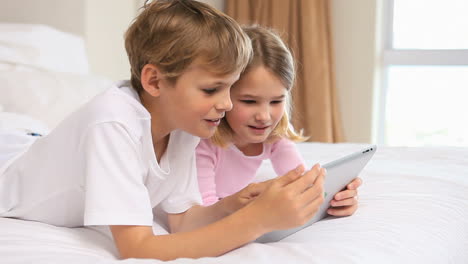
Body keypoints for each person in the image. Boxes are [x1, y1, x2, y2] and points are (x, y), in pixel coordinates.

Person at [0, 1, 326, 261]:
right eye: (212, 90)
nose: (227, 104)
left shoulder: (184, 127)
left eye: (230, 89)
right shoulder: (113, 123)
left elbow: (182, 221)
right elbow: (137, 248)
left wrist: (235, 205)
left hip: (32, 141)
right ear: (154, 81)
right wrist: (258, 221)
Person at [196, 25, 361, 216]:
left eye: (276, 101)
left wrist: (338, 199)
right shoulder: (203, 144)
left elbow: (302, 183)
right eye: (249, 101)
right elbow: (205, 212)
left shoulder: (275, 138)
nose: (264, 116)